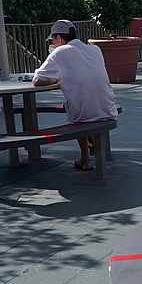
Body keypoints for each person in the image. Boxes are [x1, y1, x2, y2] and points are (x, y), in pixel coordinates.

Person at [32, 20, 119, 172]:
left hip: (85, 115)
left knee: (75, 107)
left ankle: (85, 158)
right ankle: (87, 154)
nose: (52, 43)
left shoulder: (60, 52)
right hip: (108, 110)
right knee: (79, 101)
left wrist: (56, 78)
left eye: (52, 40)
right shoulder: (95, 49)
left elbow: (37, 80)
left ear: (58, 37)